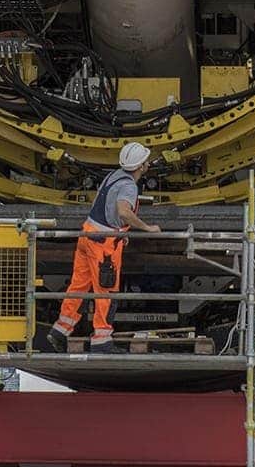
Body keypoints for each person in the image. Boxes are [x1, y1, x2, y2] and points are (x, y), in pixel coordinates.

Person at [49, 142, 159, 353]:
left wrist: (120, 232)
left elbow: (102, 205)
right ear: (141, 166)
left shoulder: (113, 175)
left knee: (79, 286)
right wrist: (147, 228)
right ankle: (102, 340)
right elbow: (123, 211)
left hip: (88, 233)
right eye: (145, 161)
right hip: (103, 244)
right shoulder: (129, 185)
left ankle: (60, 330)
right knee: (106, 291)